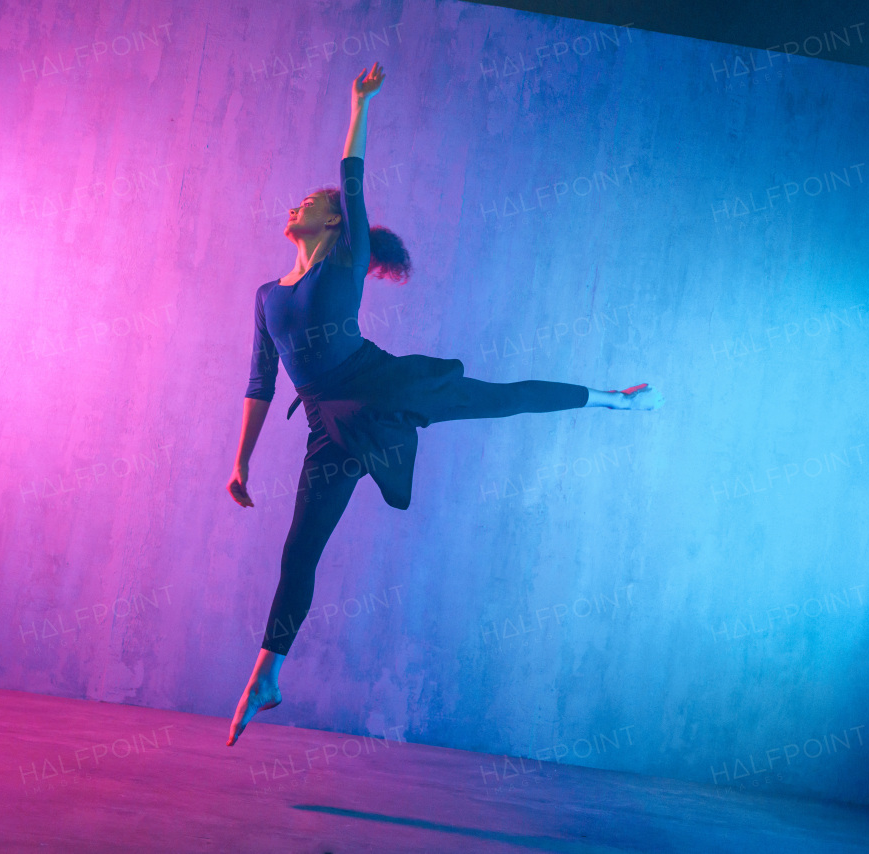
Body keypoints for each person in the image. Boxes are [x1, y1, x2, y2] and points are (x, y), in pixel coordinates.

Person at [226, 62, 663, 746]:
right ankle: (268, 673)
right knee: (299, 552)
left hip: (383, 387)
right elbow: (260, 382)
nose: (295, 207)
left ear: (333, 219)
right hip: (329, 428)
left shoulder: (346, 259)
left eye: (307, 202)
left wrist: (358, 104)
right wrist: (241, 463)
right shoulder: (266, 295)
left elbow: (352, 175)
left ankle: (613, 399)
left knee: (495, 398)